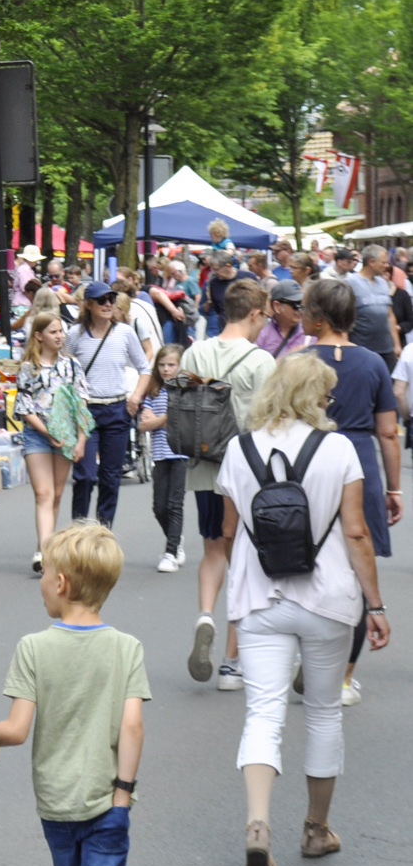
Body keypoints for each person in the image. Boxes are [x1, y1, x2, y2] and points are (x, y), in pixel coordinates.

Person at [215, 352, 390, 866]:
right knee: (321, 712)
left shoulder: (238, 449)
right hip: (328, 599)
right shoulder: (338, 449)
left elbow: (227, 532)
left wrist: (245, 572)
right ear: (314, 395)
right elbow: (356, 532)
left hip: (259, 601)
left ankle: (257, 826)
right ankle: (316, 829)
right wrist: (375, 605)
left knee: (263, 713)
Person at [0, 522, 149, 866]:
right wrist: (122, 796)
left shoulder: (33, 647)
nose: (43, 584)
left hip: (56, 802)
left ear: (61, 583)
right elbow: (132, 726)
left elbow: (15, 731)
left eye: (44, 574)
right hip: (107, 803)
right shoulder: (128, 648)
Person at [299, 279, 400, 707]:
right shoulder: (375, 364)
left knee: (305, 563)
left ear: (317, 317)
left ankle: (309, 656)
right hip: (359, 463)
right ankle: (343, 677)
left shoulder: (297, 361)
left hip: (308, 463)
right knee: (357, 573)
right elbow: (388, 432)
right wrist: (393, 487)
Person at [180, 280, 276, 692]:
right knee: (244, 562)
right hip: (245, 473)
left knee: (213, 549)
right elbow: (267, 424)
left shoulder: (194, 352)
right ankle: (231, 664)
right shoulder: (261, 361)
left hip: (203, 467)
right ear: (254, 314)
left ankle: (205, 615)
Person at [65, 282, 150, 528]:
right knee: (85, 476)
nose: (108, 304)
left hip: (117, 409)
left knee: (111, 478)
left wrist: (136, 397)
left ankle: (104, 534)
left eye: (111, 299)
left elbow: (144, 367)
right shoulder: (75, 335)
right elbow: (65, 371)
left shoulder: (125, 332)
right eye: (101, 300)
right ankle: (79, 532)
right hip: (86, 411)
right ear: (88, 304)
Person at [16, 313, 90, 574]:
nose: (60, 336)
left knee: (57, 493)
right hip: (38, 434)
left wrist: (81, 439)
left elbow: (81, 403)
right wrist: (47, 432)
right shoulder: (28, 368)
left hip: (67, 435)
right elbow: (24, 407)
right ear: (39, 336)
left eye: (61, 331)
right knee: (43, 493)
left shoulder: (72, 366)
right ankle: (46, 554)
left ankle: (43, 544)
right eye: (53, 332)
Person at [138, 344, 190, 572]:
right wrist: (162, 419)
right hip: (160, 454)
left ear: (180, 367)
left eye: (171, 365)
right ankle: (175, 538)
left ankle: (170, 551)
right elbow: (143, 423)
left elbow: (179, 416)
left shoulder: (185, 391)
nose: (166, 369)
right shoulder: (154, 391)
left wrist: (156, 421)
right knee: (159, 507)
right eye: (162, 365)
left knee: (174, 504)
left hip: (180, 453)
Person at [345, 244, 400, 372]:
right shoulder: (351, 283)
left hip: (387, 350)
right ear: (371, 262)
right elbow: (344, 319)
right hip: (362, 350)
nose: (387, 265)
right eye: (383, 262)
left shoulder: (383, 283)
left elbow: (390, 316)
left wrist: (396, 344)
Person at [254, 280, 314, 359]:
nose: (300, 309)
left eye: (302, 304)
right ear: (277, 306)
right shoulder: (261, 335)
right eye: (296, 305)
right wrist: (288, 357)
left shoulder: (310, 333)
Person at [204, 251, 257, 338]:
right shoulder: (214, 283)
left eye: (216, 269)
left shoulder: (249, 277)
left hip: (248, 329)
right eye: (212, 269)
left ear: (228, 266)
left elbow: (258, 302)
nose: (214, 272)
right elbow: (217, 308)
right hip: (225, 330)